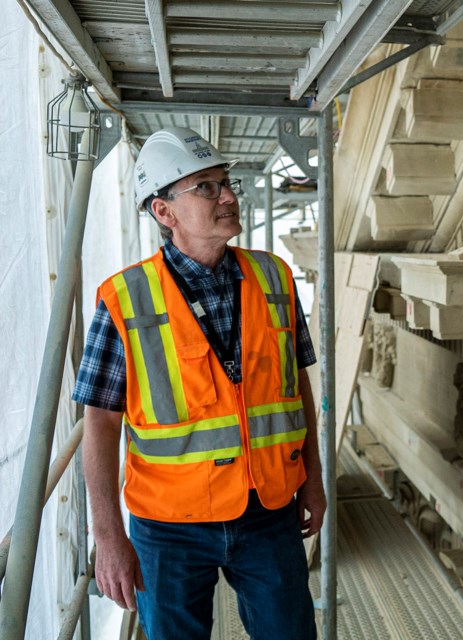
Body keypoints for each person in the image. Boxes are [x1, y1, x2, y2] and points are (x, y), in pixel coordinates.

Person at [73, 127, 325, 640]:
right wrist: (108, 535)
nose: (229, 195)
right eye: (205, 187)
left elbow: (297, 391)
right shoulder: (124, 298)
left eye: (225, 182)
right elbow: (99, 423)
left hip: (268, 511)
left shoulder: (275, 277)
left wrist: (313, 480)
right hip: (168, 528)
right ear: (164, 212)